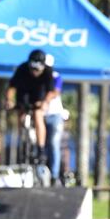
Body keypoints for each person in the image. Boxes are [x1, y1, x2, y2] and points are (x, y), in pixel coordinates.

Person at [5, 49, 56, 165]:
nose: (34, 72)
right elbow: (11, 87)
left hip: (39, 96)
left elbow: (51, 92)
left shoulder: (48, 71)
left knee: (38, 115)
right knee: (21, 115)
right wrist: (9, 100)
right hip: (24, 94)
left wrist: (45, 102)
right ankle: (23, 142)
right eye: (32, 69)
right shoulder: (22, 68)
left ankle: (41, 148)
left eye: (37, 70)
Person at [43, 53, 66, 184]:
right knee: (41, 146)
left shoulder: (56, 77)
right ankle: (43, 174)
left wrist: (44, 101)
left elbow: (55, 92)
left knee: (53, 144)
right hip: (41, 116)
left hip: (55, 116)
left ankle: (54, 175)